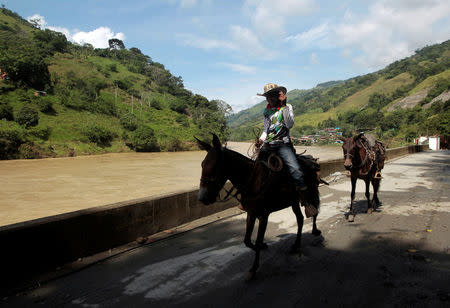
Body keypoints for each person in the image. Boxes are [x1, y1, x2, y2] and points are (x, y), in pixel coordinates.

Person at [255, 83, 308, 192]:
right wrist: (260, 140)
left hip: (283, 145)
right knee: (256, 167)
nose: (268, 99)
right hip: (268, 144)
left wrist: (284, 107)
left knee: (295, 169)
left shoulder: (287, 107)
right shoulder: (266, 111)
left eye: (271, 96)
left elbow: (289, 124)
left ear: (278, 96)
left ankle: (304, 193)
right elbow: (266, 130)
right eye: (267, 97)